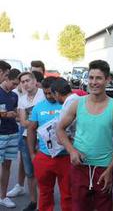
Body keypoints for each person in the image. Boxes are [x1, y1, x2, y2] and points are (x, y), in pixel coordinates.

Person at [57, 60, 113, 211]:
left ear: (107, 80)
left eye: (99, 78)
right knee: (79, 207)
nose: (94, 82)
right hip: (80, 167)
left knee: (105, 208)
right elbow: (60, 129)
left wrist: (110, 169)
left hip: (103, 169)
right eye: (91, 77)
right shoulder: (77, 103)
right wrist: (72, 151)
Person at [26, 77, 72, 211]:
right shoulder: (38, 107)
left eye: (51, 93)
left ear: (57, 91)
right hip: (45, 157)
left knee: (68, 194)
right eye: (45, 93)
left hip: (66, 157)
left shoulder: (67, 104)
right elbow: (31, 130)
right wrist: (32, 154)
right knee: (45, 193)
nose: (48, 96)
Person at [8, 72, 45, 211]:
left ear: (35, 81)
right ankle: (33, 201)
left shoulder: (43, 94)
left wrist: (34, 121)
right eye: (22, 82)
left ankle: (44, 202)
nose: (25, 83)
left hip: (43, 139)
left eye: (27, 80)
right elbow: (23, 122)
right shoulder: (22, 99)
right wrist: (37, 121)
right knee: (30, 172)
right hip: (26, 138)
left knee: (44, 172)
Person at [0, 69, 20, 208]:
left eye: (16, 84)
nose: (15, 86)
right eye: (13, 83)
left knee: (7, 166)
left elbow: (17, 113)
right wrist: (5, 115)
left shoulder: (14, 95)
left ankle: (3, 196)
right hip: (0, 133)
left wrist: (17, 115)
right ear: (6, 77)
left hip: (13, 132)